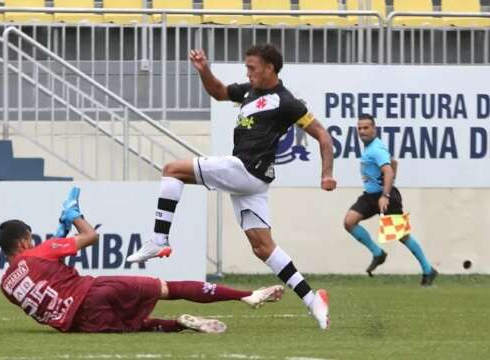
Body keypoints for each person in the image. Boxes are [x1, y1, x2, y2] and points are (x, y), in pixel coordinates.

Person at [126, 44, 336, 330]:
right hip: (253, 184)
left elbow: (323, 135)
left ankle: (159, 241)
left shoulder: (286, 101)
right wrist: (204, 71)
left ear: (270, 68)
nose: (247, 73)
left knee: (172, 170)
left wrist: (326, 174)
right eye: (246, 68)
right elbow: (219, 92)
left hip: (245, 169)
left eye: (252, 68)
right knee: (263, 249)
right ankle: (313, 299)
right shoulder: (249, 92)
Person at [0, 187, 284, 334]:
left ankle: (179, 326)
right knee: (167, 288)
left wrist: (56, 239)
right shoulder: (38, 252)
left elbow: (49, 279)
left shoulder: (6, 286)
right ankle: (247, 296)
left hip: (80, 324)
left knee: (137, 325)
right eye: (30, 239)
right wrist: (74, 215)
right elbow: (89, 237)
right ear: (23, 242)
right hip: (94, 291)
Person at [343, 114, 438, 286]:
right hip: (371, 196)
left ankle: (428, 270)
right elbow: (394, 163)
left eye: (366, 127)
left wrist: (385, 195)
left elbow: (388, 170)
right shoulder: (373, 147)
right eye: (359, 128)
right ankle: (378, 253)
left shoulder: (375, 149)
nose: (362, 131)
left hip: (385, 197)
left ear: (374, 128)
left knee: (402, 236)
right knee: (349, 222)